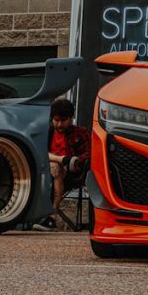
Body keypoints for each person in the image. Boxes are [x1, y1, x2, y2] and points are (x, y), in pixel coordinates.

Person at [33, 98, 91, 231]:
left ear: (71, 118)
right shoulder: (48, 132)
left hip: (69, 174)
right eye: (56, 120)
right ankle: (61, 160)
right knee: (53, 164)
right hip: (45, 169)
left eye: (63, 120)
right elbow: (38, 151)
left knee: (57, 168)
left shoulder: (81, 133)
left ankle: (52, 217)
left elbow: (89, 154)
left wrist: (72, 162)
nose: (59, 124)